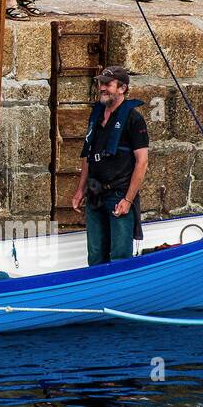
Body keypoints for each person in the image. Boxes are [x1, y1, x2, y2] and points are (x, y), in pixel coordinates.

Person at [72, 66, 149, 266]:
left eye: (108, 84)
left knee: (120, 258)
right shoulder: (96, 116)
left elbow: (142, 162)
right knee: (95, 256)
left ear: (122, 88)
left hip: (118, 194)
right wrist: (80, 190)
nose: (102, 88)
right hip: (95, 194)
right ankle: (98, 295)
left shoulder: (134, 119)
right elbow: (89, 155)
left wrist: (128, 199)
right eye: (101, 83)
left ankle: (121, 295)